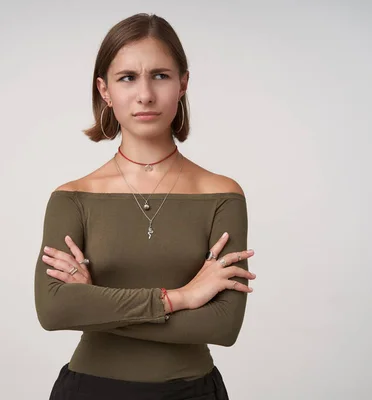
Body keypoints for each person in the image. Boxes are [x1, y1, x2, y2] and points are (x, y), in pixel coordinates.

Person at [33, 13, 256, 400]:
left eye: (160, 75)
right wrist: (181, 298)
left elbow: (222, 326)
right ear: (105, 91)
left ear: (183, 83)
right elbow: (54, 312)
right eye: (127, 78)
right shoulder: (71, 197)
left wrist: (95, 305)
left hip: (192, 392)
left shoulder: (222, 195)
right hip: (90, 391)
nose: (145, 95)